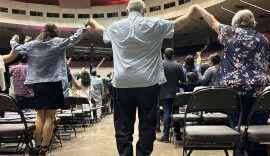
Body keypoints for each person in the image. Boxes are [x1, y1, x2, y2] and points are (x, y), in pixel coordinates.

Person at [88, 0, 196, 155]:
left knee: (123, 126)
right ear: (144, 11)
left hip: (122, 83)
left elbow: (101, 30)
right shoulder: (154, 24)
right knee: (147, 124)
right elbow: (177, 24)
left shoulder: (116, 27)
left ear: (127, 10)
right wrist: (191, 12)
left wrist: (92, 22)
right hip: (148, 83)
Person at [194, 5, 270, 156]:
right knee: (259, 132)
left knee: (238, 130)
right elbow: (269, 66)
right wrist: (267, 86)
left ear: (235, 23)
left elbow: (212, 21)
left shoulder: (231, 33)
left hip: (236, 90)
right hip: (261, 90)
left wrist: (199, 9)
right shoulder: (262, 38)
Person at [10, 21, 89, 155]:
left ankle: (37, 147)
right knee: (50, 117)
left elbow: (17, 48)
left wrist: (13, 40)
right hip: (53, 84)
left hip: (38, 85)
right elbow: (74, 39)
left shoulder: (32, 45)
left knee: (40, 116)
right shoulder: (57, 43)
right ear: (55, 32)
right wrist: (84, 27)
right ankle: (45, 149)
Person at [157, 48, 186, 143]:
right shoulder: (178, 65)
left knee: (167, 113)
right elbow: (183, 80)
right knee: (176, 113)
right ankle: (178, 135)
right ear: (173, 55)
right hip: (175, 93)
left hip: (163, 92)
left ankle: (165, 136)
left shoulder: (160, 64)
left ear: (164, 55)